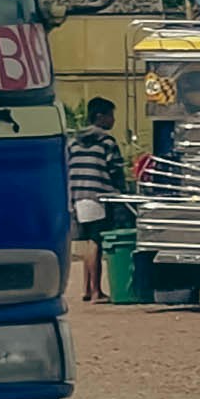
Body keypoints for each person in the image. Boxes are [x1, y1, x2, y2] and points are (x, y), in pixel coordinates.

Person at [67, 98, 130, 304]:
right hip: (98, 195)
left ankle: (86, 289)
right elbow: (115, 170)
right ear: (100, 117)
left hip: (77, 196)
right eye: (111, 115)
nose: (113, 120)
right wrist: (122, 192)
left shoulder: (72, 142)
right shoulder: (107, 142)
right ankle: (96, 291)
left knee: (87, 243)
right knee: (96, 242)